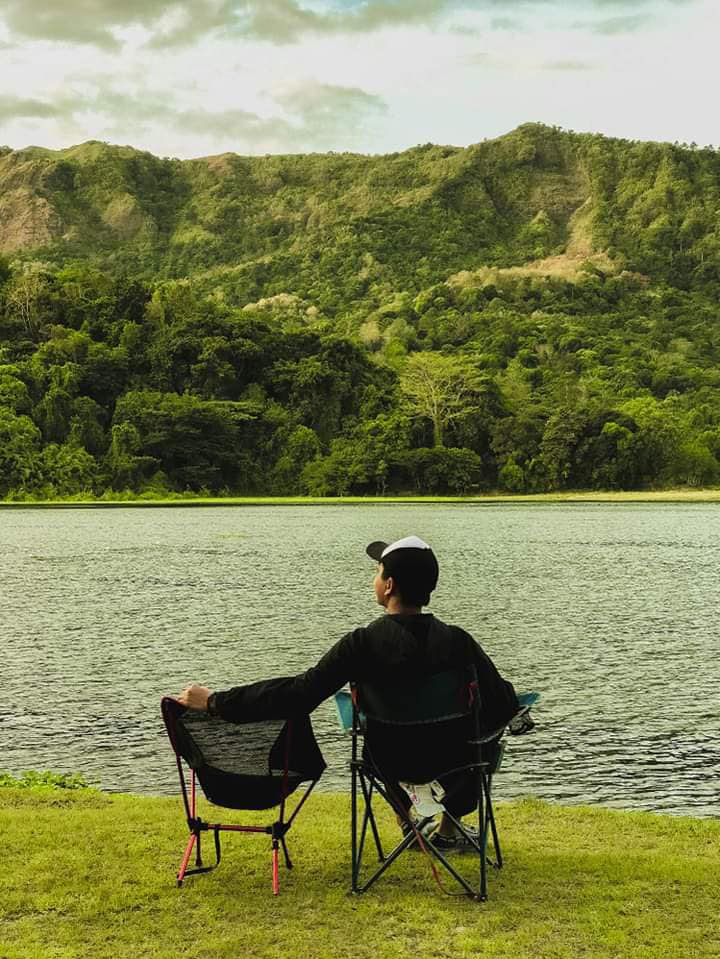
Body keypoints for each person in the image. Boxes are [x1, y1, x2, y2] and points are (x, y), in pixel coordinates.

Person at [176, 535, 518, 847]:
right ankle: (447, 830)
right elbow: (503, 706)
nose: (375, 579)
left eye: (378, 571)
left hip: (387, 762)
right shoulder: (459, 643)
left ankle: (410, 827)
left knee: (378, 739)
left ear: (389, 585)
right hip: (454, 766)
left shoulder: (362, 644)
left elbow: (299, 694)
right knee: (482, 738)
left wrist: (215, 701)